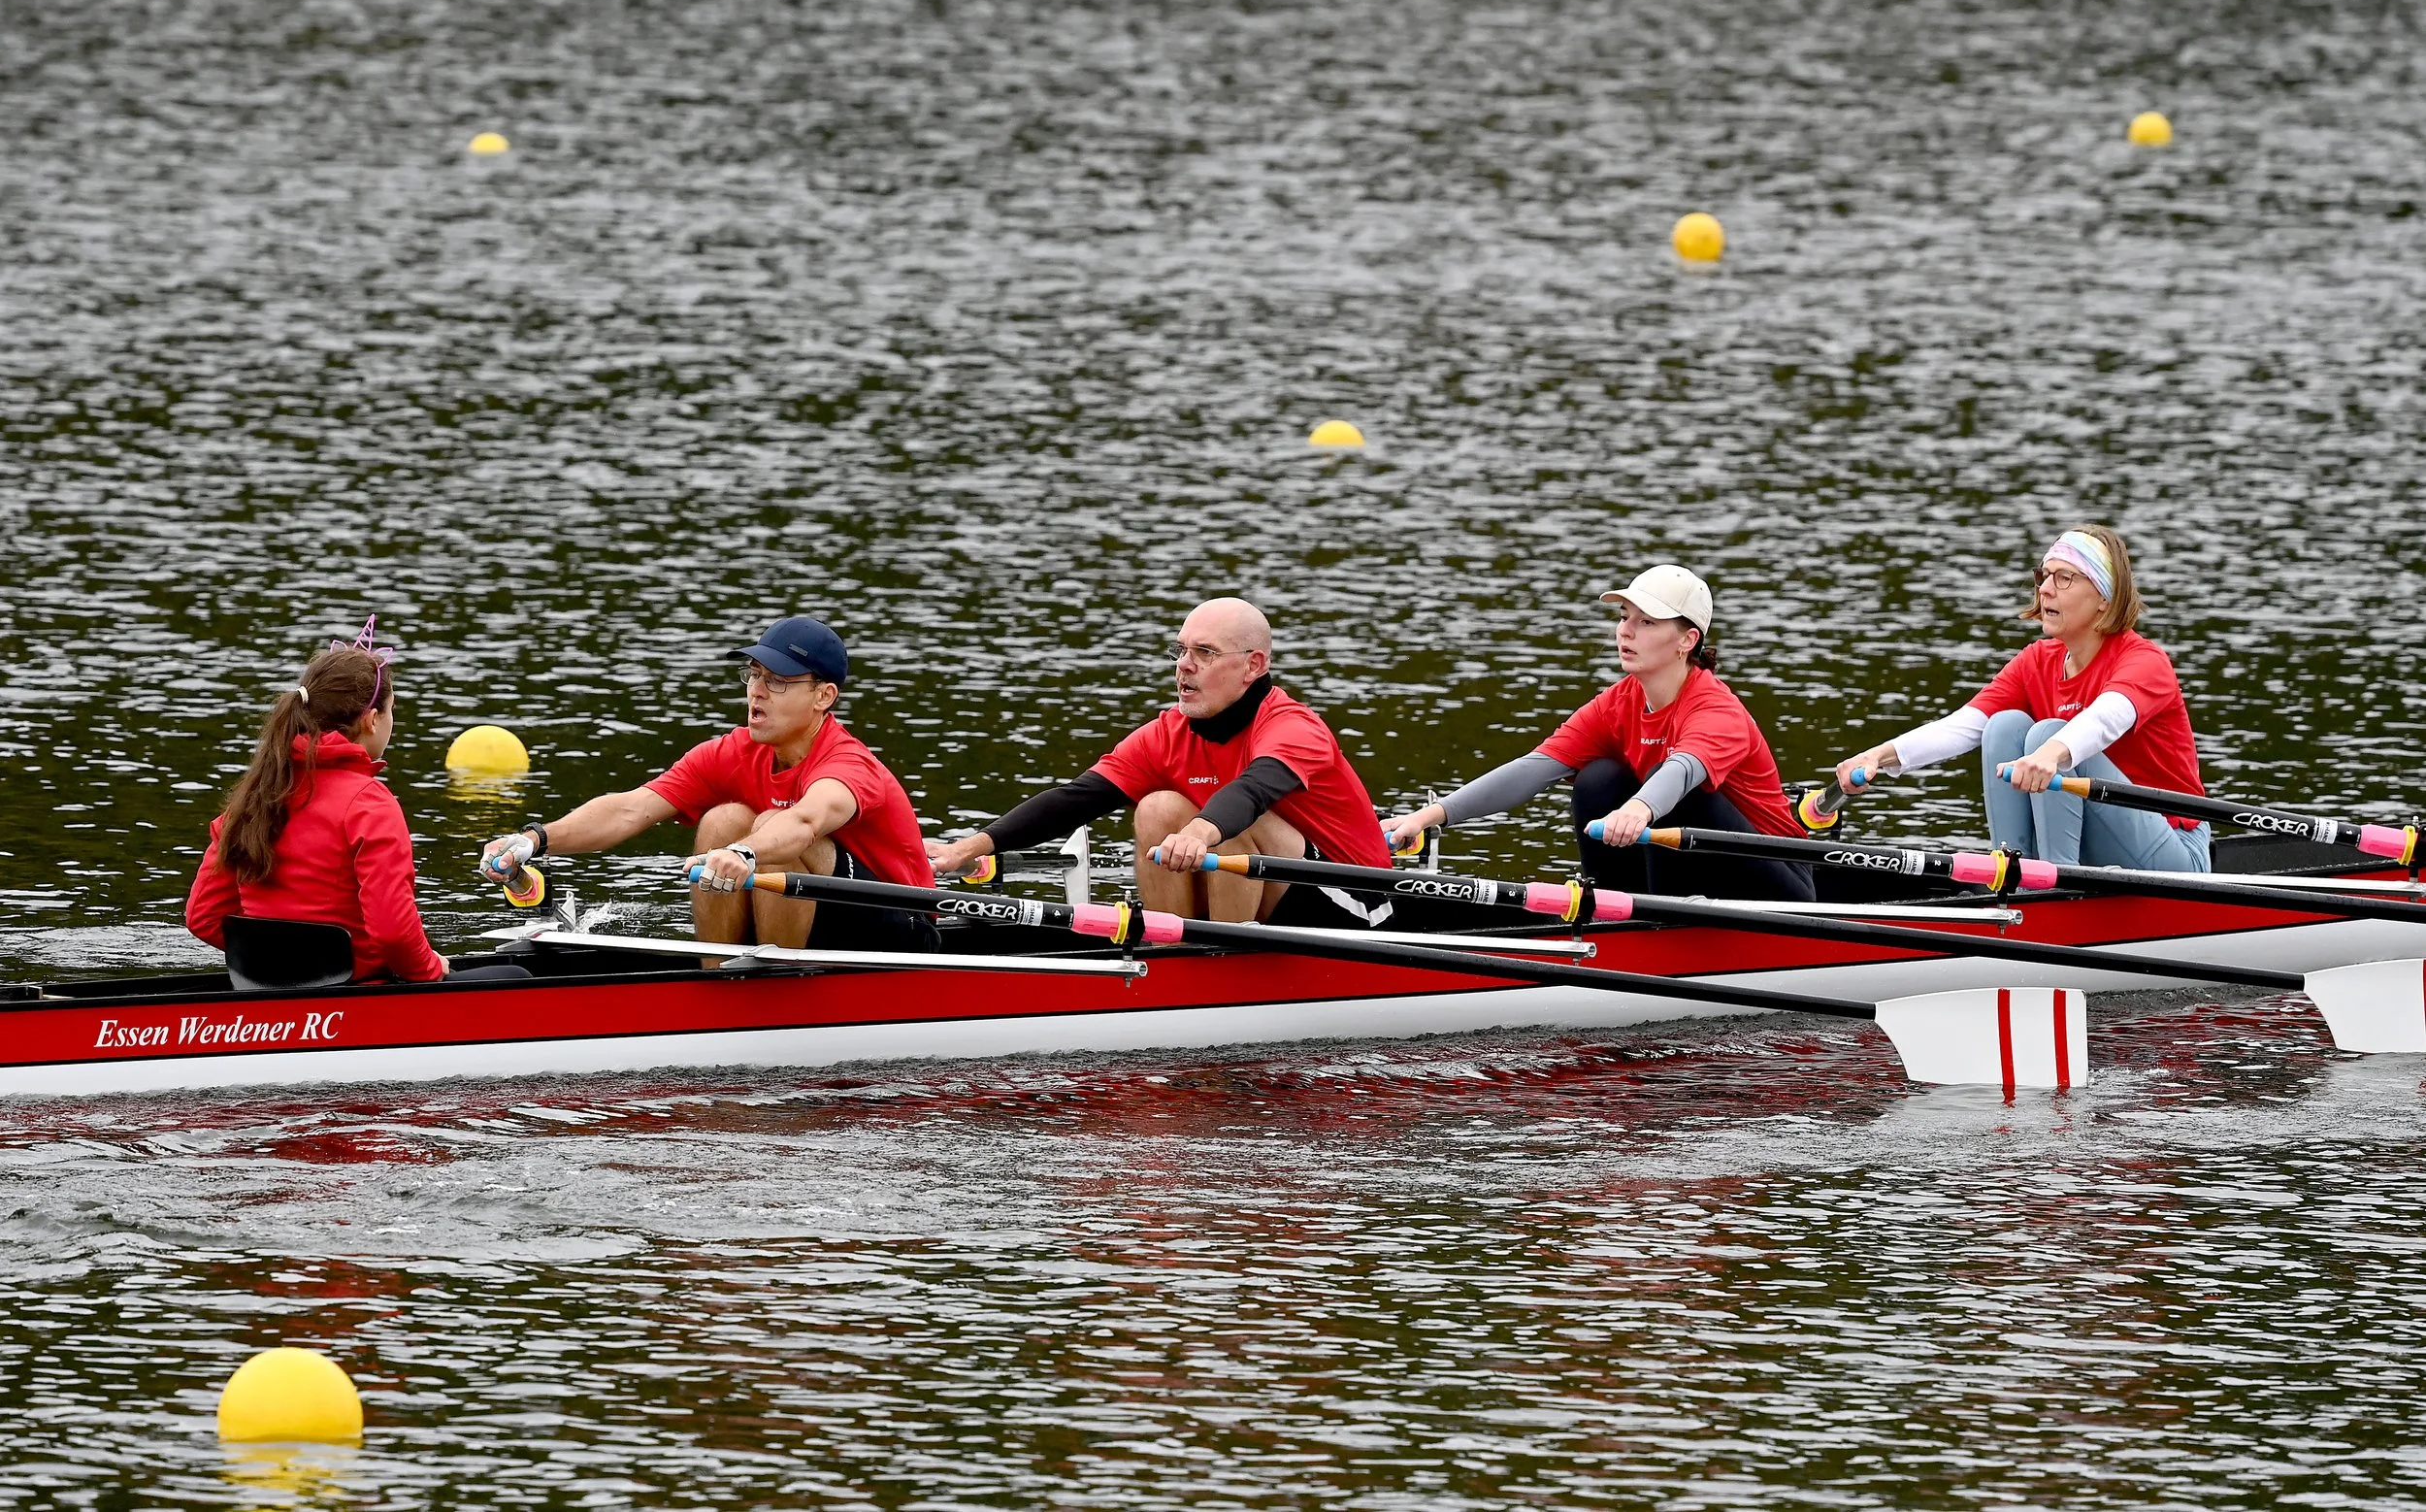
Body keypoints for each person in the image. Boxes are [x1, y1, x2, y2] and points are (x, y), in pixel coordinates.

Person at [479, 616, 938, 953]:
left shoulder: (848, 763)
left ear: (823, 696)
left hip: (899, 927)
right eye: (754, 675)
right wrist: (534, 840)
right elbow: (631, 808)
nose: (756, 691)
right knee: (723, 820)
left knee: (768, 824)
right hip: (811, 913)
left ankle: (776, 987)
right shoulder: (733, 752)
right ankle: (718, 977)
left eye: (777, 680)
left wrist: (746, 852)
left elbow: (805, 820)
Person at [926, 598, 1393, 925]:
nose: (1184, 666)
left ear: (1253, 666)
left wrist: (1199, 832)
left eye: (1204, 653)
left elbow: (1253, 791)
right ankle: (1179, 957)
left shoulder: (1293, 727)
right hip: (1261, 892)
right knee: (1157, 807)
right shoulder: (1167, 732)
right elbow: (1077, 799)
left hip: (1354, 900)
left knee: (1228, 819)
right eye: (1181, 650)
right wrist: (970, 848)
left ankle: (1221, 969)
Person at [1382, 567, 1815, 902]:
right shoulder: (1618, 701)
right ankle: (1621, 913)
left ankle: (1662, 927)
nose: (1625, 631)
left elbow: (1683, 771)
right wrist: (1428, 817)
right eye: (1625, 617)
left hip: (1781, 882)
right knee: (1598, 777)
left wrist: (1640, 807)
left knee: (1681, 792)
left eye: (1647, 623)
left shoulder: (1716, 708)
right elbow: (1534, 770)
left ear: (1688, 640)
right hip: (1685, 864)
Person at [1832, 525, 2210, 871]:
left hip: (2176, 850)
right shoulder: (2036, 662)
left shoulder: (2144, 661)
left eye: (2064, 578)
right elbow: (1963, 726)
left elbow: (2106, 718)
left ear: (2104, 598)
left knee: (2046, 734)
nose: (2045, 589)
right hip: (2101, 840)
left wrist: (2051, 753)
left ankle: (2059, 883)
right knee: (2004, 725)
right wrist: (1878, 756)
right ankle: (2019, 871)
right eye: (2044, 576)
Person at [186, 619, 528, 984]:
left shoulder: (253, 796)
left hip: (265, 1002)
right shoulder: (369, 803)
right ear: (372, 719)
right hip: (358, 996)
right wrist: (429, 968)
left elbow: (204, 915)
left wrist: (282, 965)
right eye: (392, 710)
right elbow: (393, 930)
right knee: (520, 976)